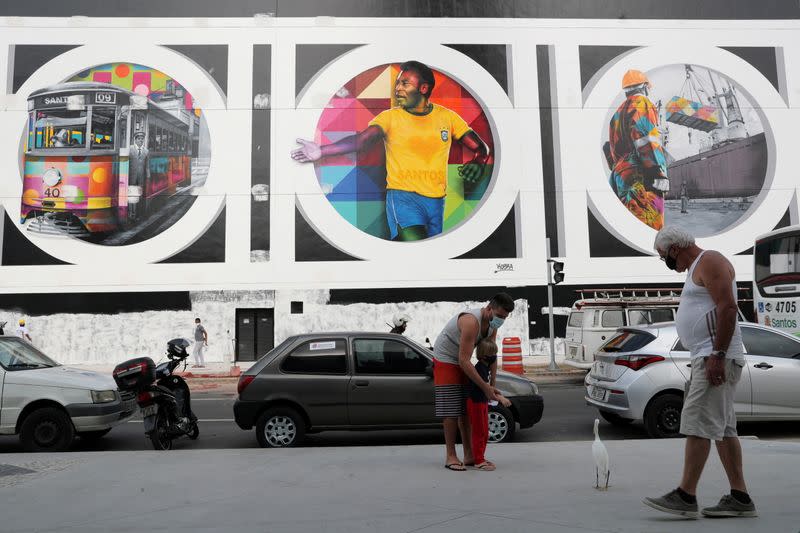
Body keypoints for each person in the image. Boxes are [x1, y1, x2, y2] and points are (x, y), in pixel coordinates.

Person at [291, 60, 490, 241]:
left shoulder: (448, 117)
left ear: (423, 88)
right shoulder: (390, 118)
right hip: (403, 199)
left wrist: (479, 161)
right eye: (397, 83)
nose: (397, 89)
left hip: (437, 202)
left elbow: (480, 148)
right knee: (416, 247)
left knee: (427, 257)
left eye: (405, 83)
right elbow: (361, 141)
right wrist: (322, 150)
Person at [644, 226, 756, 518]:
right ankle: (740, 498)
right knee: (723, 429)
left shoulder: (710, 261)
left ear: (674, 249)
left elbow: (728, 308)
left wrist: (717, 355)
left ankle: (685, 495)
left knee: (696, 423)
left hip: (714, 357)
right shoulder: (697, 266)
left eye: (663, 256)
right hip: (708, 356)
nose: (665, 262)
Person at [433, 292, 514, 471]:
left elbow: (491, 355)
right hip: (447, 359)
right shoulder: (471, 322)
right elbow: (463, 360)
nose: (501, 320)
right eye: (499, 315)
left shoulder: (493, 325)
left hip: (464, 359)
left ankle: (470, 456)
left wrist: (492, 384)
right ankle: (451, 456)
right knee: (451, 408)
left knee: (466, 408)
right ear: (488, 308)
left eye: (505, 317)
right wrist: (484, 388)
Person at [606, 69, 670, 230]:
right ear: (645, 87)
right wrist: (657, 172)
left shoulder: (617, 113)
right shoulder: (642, 102)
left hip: (620, 176)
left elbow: (608, 147)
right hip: (642, 175)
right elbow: (646, 139)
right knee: (650, 227)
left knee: (629, 226)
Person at [467, 338, 512, 471]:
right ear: (486, 356)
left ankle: (480, 457)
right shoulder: (480, 369)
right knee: (479, 432)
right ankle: (478, 460)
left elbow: (488, 387)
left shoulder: (484, 368)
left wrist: (497, 392)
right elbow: (486, 389)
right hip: (475, 403)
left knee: (484, 432)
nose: (495, 357)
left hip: (481, 402)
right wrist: (500, 398)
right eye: (493, 354)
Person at [128, 131, 150, 220]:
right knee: (131, 196)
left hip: (141, 178)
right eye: (139, 139)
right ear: (135, 140)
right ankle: (131, 214)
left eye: (142, 139)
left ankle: (138, 214)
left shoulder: (146, 151)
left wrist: (148, 177)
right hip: (131, 177)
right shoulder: (130, 149)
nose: (141, 140)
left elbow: (147, 166)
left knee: (139, 196)